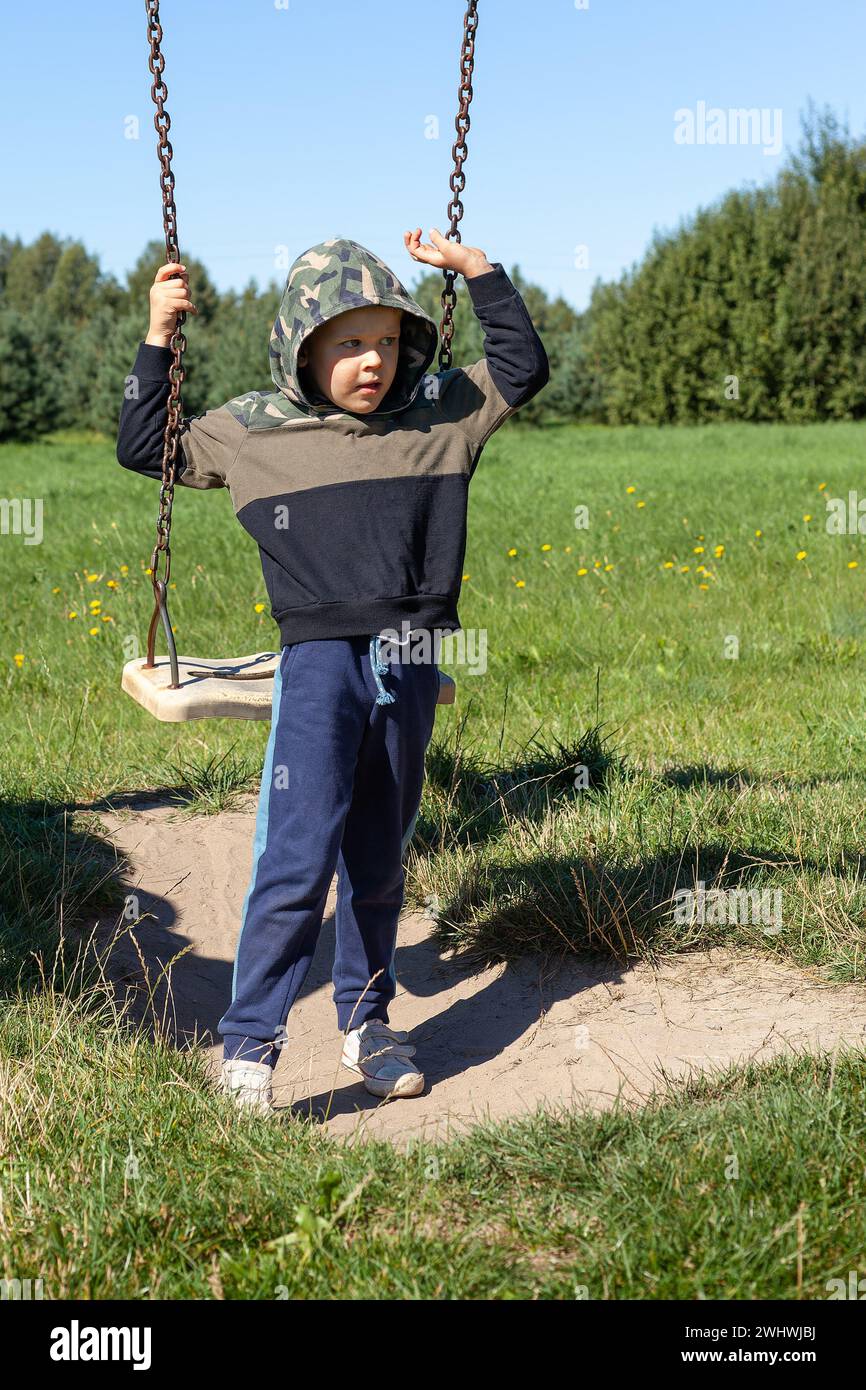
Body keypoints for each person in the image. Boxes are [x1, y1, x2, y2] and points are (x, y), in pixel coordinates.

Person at [116, 229, 549, 1113]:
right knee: (298, 854)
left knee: (380, 856)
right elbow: (144, 446)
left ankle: (367, 1022)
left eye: (387, 340)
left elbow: (523, 367)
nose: (372, 362)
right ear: (302, 348)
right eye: (348, 342)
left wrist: (479, 273)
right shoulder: (254, 433)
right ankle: (249, 1047)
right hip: (318, 663)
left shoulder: (441, 413)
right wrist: (160, 333)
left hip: (415, 658)